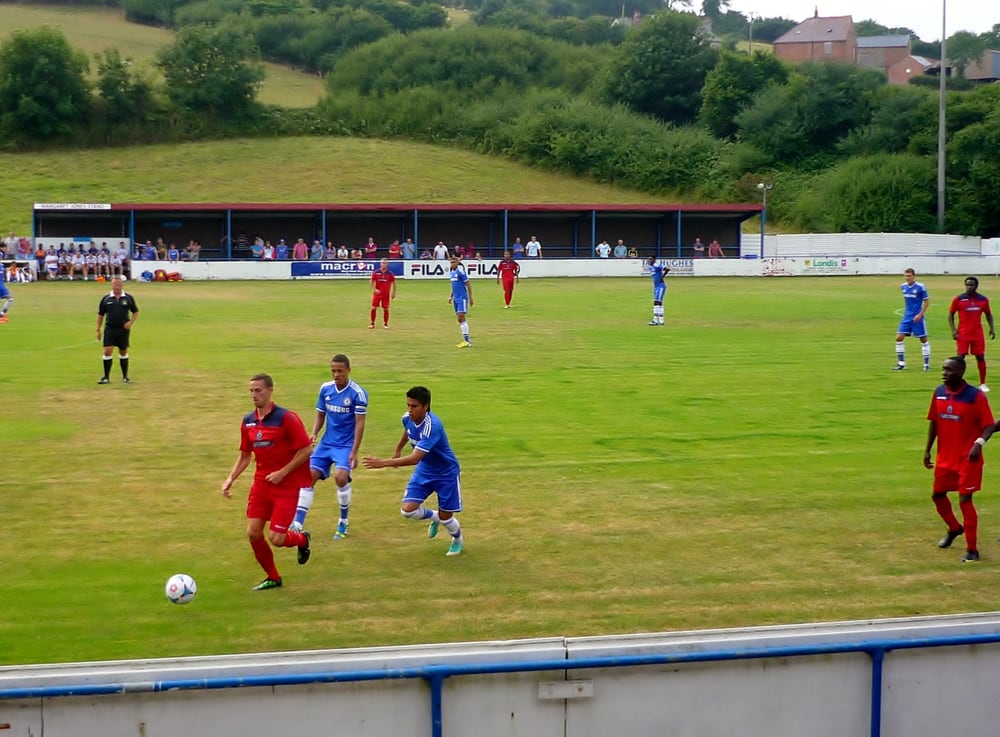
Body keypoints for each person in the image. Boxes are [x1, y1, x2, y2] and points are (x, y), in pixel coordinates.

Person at [221, 373, 313, 590]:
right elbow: (245, 455)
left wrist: (283, 472)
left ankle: (302, 540)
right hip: (262, 485)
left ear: (270, 391)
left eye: (258, 390)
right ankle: (273, 577)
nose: (254, 395)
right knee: (253, 533)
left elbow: (307, 449)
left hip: (286, 487)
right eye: (251, 391)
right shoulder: (248, 422)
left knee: (277, 539)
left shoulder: (287, 418)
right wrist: (230, 479)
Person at [362, 385, 465, 557]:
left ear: (426, 406)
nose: (410, 410)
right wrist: (397, 449)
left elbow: (415, 458)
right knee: (407, 510)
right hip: (425, 469)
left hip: (445, 473)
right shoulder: (407, 418)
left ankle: (457, 540)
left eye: (414, 406)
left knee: (447, 517)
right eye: (408, 405)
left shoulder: (432, 426)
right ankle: (435, 517)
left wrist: (384, 463)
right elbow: (408, 431)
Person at [924, 356, 995, 563]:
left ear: (961, 372)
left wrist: (979, 443)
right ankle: (954, 528)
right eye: (943, 369)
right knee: (937, 495)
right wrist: (928, 450)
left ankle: (972, 550)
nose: (944, 373)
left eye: (949, 370)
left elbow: (989, 424)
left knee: (965, 500)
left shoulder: (975, 396)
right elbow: (934, 422)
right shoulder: (938, 393)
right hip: (945, 457)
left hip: (967, 458)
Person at [291, 355, 367, 540]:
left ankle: (343, 522)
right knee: (307, 477)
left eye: (340, 371)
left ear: (349, 370)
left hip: (345, 445)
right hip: (327, 443)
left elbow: (360, 423)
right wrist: (314, 433)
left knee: (340, 478)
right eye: (333, 370)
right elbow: (320, 415)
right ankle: (297, 524)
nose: (336, 374)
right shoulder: (325, 389)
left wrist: (354, 451)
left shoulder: (358, 393)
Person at [948, 276, 995, 392]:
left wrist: (992, 328)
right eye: (967, 285)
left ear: (976, 286)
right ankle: (958, 382)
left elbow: (988, 315)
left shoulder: (983, 300)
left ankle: (983, 383)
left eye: (971, 285)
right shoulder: (958, 299)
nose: (969, 287)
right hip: (963, 333)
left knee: (980, 357)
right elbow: (950, 314)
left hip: (977, 333)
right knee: (960, 358)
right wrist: (953, 330)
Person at [96, 277, 139, 384]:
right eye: (115, 285)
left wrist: (131, 322)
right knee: (107, 351)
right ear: (112, 285)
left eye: (118, 285)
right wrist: (98, 329)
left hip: (123, 330)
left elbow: (135, 312)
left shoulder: (128, 298)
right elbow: (100, 314)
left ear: (122, 285)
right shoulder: (106, 299)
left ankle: (125, 377)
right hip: (110, 329)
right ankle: (106, 377)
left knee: (123, 351)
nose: (117, 287)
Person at [895, 267, 931, 371]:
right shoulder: (903, 287)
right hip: (907, 317)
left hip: (917, 317)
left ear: (914, 276)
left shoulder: (920, 287)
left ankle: (926, 365)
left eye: (909, 276)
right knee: (898, 338)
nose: (907, 278)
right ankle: (901, 364)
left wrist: (920, 314)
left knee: (923, 339)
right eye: (905, 276)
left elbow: (926, 302)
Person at [449, 255, 473, 348]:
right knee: (459, 319)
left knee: (461, 315)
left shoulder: (461, 272)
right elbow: (454, 286)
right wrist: (450, 296)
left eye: (454, 262)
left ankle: (467, 341)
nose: (452, 264)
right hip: (456, 298)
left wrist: (470, 297)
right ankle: (466, 340)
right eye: (451, 262)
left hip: (462, 297)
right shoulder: (451, 272)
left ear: (458, 263)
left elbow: (468, 284)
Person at [369, 257, 397, 329]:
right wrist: (374, 289)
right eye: (382, 263)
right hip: (377, 294)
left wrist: (393, 292)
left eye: (385, 263)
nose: (383, 264)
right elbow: (371, 281)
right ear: (380, 264)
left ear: (387, 264)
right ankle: (372, 323)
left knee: (386, 308)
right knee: (373, 308)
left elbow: (394, 283)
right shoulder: (376, 272)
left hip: (386, 294)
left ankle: (385, 324)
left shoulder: (390, 273)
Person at [646, 255, 669, 326]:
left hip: (661, 286)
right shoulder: (650, 267)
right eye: (649, 259)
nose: (649, 261)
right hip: (656, 286)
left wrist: (662, 276)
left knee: (656, 302)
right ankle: (661, 321)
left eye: (651, 259)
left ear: (654, 260)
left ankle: (655, 320)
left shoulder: (657, 266)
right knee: (660, 303)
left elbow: (667, 269)